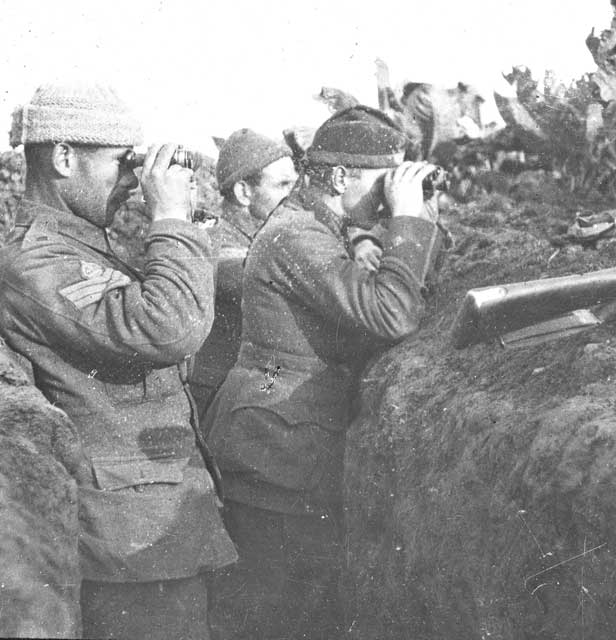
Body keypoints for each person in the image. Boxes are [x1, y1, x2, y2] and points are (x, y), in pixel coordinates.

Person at [0, 83, 237, 639]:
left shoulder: (83, 247)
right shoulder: (36, 261)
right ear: (63, 157)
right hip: (126, 547)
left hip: (154, 531)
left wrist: (187, 216)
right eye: (120, 162)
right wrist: (171, 218)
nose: (133, 178)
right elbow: (167, 327)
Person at [203, 105, 443, 639]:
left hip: (292, 448)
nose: (387, 194)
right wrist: (403, 219)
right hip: (278, 459)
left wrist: (416, 218)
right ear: (339, 177)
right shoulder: (297, 236)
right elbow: (391, 312)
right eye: (383, 180)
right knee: (283, 617)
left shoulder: (323, 225)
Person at [189, 129, 297, 416]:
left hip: (251, 392)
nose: (293, 196)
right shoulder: (218, 242)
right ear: (243, 192)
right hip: (219, 399)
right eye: (283, 185)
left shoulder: (261, 238)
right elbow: (255, 280)